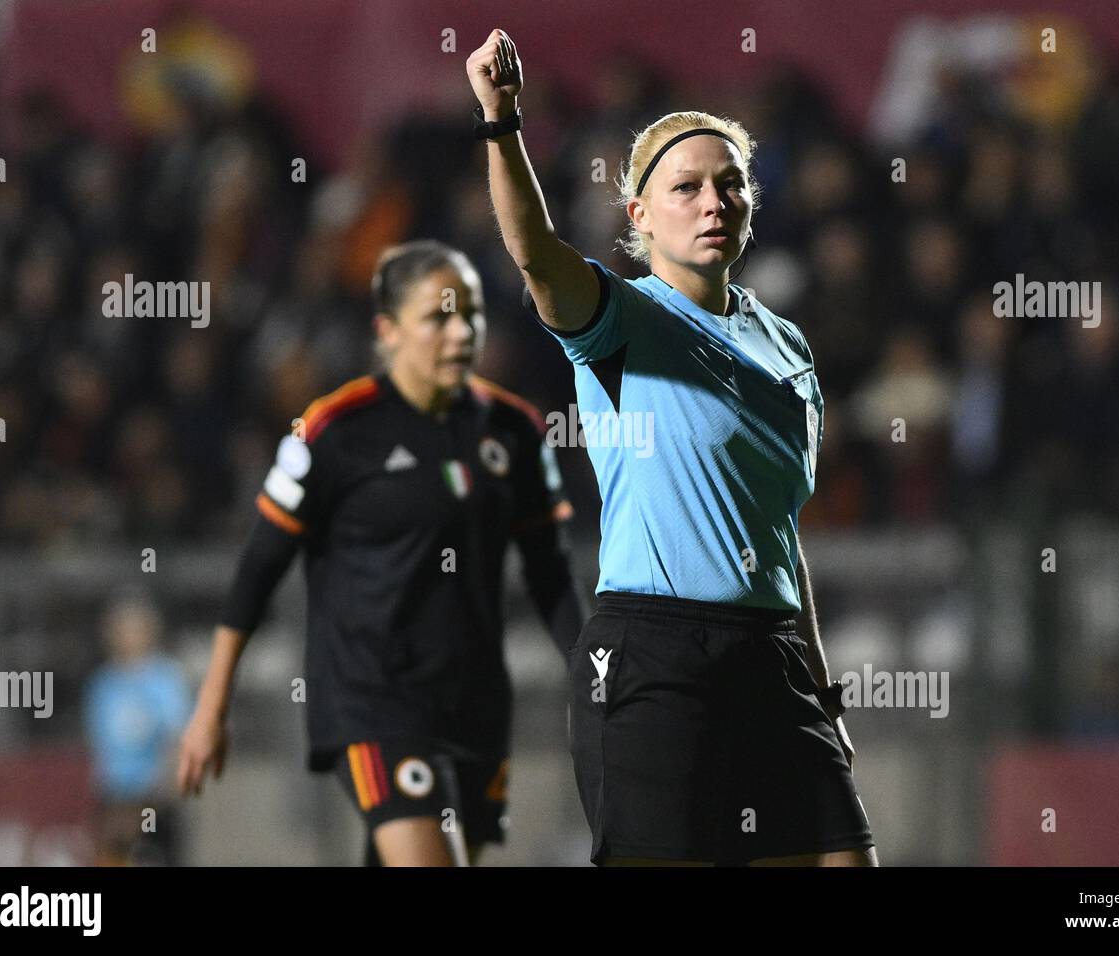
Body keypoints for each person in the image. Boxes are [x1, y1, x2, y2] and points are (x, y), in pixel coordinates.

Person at [468, 29, 877, 866]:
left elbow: (777, 532)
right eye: (685, 187)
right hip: (655, 654)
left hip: (771, 656)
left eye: (729, 184)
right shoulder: (622, 320)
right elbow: (537, 255)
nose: (712, 202)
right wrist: (501, 122)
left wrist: (823, 690)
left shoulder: (786, 345)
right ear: (639, 215)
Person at [176, 239, 582, 866]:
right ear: (388, 331)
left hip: (474, 703)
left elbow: (549, 575)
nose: (460, 333)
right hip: (373, 699)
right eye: (438, 317)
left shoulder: (516, 432)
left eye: (469, 314)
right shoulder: (335, 431)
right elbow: (259, 568)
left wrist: (592, 679)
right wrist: (212, 704)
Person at [84, 593, 190, 866]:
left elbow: (176, 740)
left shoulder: (164, 680)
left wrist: (153, 796)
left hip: (154, 802)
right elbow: (100, 747)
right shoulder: (102, 684)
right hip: (113, 802)